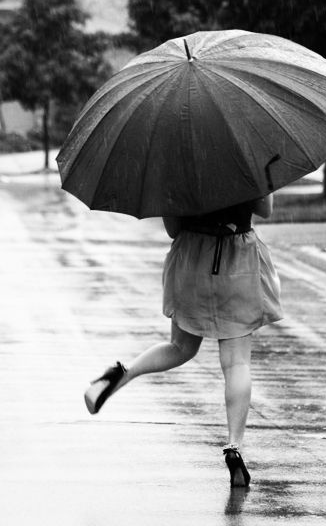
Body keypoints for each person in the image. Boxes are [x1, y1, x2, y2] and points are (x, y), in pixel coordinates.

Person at [84, 194, 283, 487]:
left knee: (180, 347)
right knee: (236, 363)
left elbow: (173, 229)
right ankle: (234, 447)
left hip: (192, 259)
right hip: (237, 259)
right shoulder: (247, 165)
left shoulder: (174, 168)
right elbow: (265, 209)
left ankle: (121, 374)